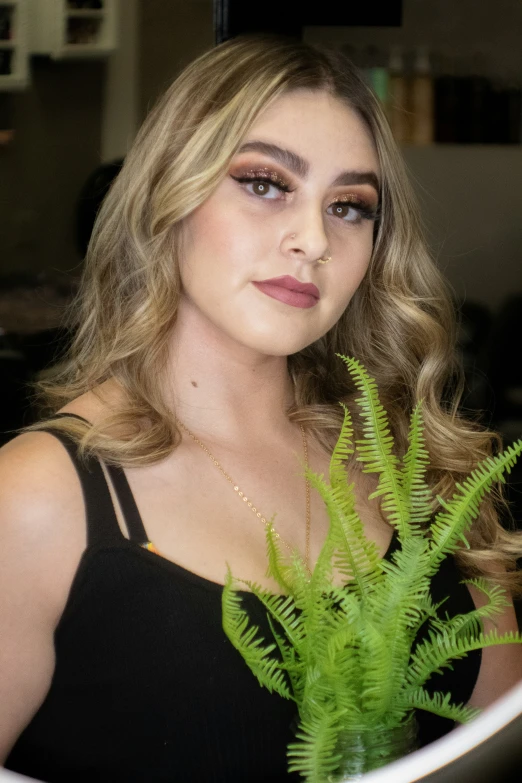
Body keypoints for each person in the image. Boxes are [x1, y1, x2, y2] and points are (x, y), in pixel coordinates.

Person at [1, 35, 521, 783]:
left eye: (348, 206)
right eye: (267, 183)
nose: (312, 240)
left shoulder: (424, 471)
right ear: (170, 194)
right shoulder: (35, 501)